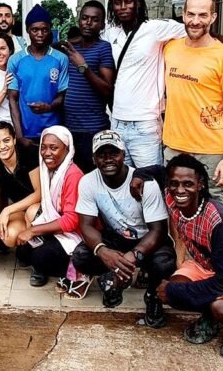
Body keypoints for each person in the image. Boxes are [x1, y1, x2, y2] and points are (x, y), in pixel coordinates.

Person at [101, 0, 223, 168]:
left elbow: (199, 29)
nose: (123, 7)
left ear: (138, 3)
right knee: (125, 181)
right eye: (117, 2)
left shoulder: (155, 28)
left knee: (149, 183)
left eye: (128, 1)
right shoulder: (110, 33)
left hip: (145, 124)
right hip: (117, 121)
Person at [157, 153, 223, 361]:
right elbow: (154, 171)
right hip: (203, 266)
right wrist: (140, 177)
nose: (180, 190)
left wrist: (181, 291)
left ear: (200, 185)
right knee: (171, 292)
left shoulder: (217, 219)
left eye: (188, 184)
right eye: (174, 183)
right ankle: (211, 317)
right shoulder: (171, 198)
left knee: (221, 307)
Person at [72, 130, 176, 325]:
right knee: (80, 256)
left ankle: (153, 294)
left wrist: (135, 255)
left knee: (165, 262)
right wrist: (102, 251)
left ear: (123, 155)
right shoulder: (88, 182)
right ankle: (113, 276)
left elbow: (159, 229)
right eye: (102, 155)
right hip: (117, 238)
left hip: (148, 240)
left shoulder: (145, 183)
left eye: (114, 153)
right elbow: (85, 225)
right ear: (94, 159)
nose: (108, 159)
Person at [162, 0, 223, 210]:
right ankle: (180, 247)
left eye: (202, 15)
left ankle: (221, 246)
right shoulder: (170, 48)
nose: (195, 21)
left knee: (215, 210)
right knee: (176, 207)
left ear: (213, 17)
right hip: (174, 147)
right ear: (183, 14)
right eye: (191, 14)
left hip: (211, 150)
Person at [15, 126, 87, 298]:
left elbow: (71, 221)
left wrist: (31, 230)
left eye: (54, 148)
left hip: (77, 233)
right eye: (43, 147)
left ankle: (80, 272)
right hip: (58, 227)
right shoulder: (49, 170)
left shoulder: (72, 174)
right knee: (22, 253)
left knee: (40, 259)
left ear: (67, 150)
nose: (47, 153)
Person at [58, 0, 115, 172]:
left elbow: (107, 88)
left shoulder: (103, 48)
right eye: (84, 18)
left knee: (95, 179)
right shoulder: (70, 47)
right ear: (79, 20)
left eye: (94, 19)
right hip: (69, 129)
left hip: (93, 130)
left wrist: (83, 66)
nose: (88, 23)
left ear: (102, 24)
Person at [7, 5, 69, 145]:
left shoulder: (60, 59)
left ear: (49, 30)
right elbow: (12, 99)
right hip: (26, 133)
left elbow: (62, 95)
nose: (40, 34)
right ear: (28, 30)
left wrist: (49, 107)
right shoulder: (16, 60)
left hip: (54, 132)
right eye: (35, 30)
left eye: (44, 29)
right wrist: (19, 135)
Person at [0, 121, 41, 250]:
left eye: (6, 140)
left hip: (40, 206)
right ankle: (27, 247)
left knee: (32, 211)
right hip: (19, 209)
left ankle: (39, 249)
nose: (2, 146)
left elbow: (39, 193)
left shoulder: (27, 153)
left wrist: (7, 210)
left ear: (13, 140)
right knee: (9, 236)